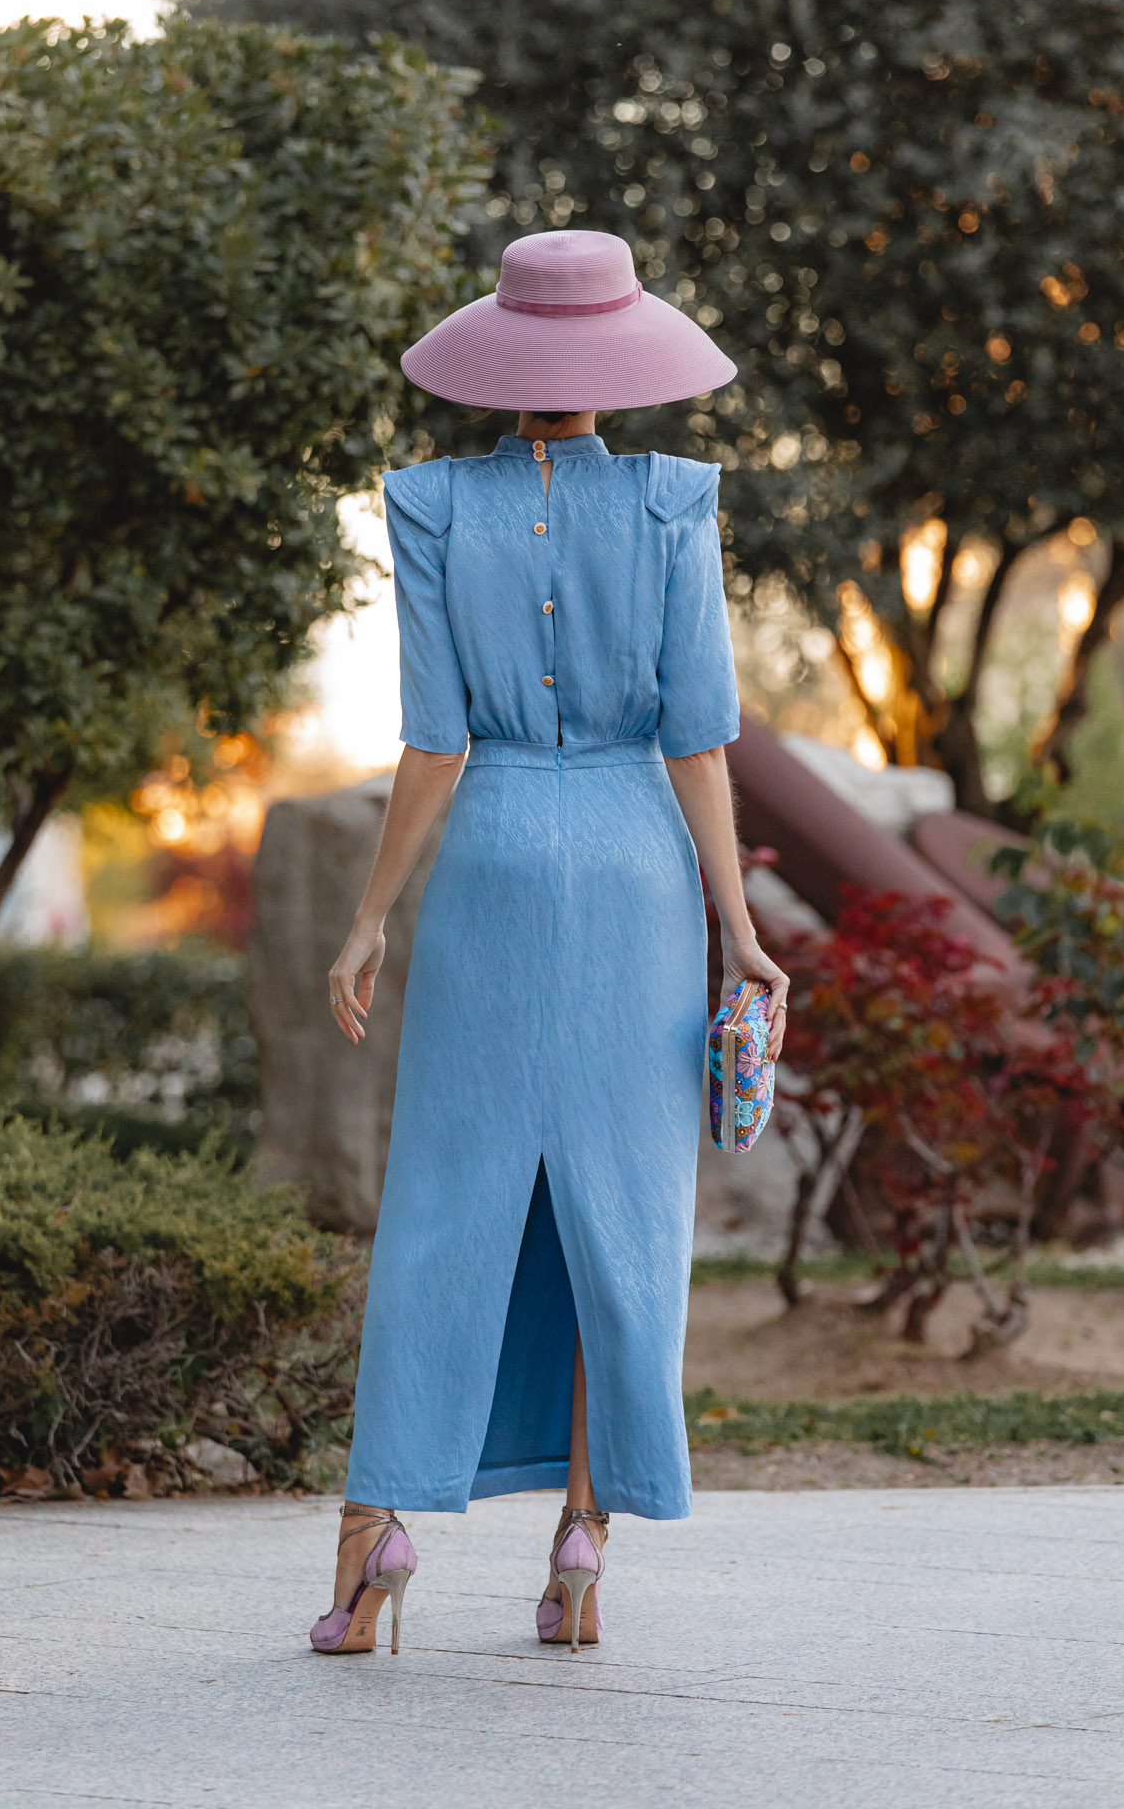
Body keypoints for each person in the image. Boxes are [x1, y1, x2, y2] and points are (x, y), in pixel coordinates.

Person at [310, 229, 789, 1659]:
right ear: (622, 360)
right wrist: (738, 930)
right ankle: (583, 1540)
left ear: (502, 357)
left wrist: (368, 916)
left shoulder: (426, 503)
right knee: (614, 1219)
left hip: (493, 872)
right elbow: (699, 740)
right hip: (640, 882)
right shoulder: (673, 501)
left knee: (443, 1204)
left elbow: (434, 743)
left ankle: (373, 1543)